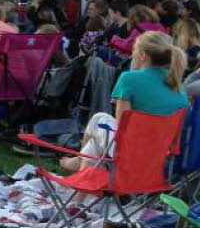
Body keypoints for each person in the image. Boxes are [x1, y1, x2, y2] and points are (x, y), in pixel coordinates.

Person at [60, 31, 189, 172]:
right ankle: (83, 169)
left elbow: (122, 127)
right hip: (159, 155)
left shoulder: (129, 79)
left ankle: (80, 162)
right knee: (98, 135)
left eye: (134, 50)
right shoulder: (179, 87)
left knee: (98, 119)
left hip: (129, 152)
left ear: (142, 55)